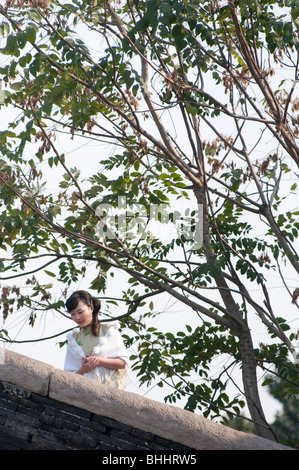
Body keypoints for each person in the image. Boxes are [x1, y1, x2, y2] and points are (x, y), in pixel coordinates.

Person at [63, 290, 130, 389]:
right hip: (86, 392)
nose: (77, 317)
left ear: (91, 308)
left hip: (112, 389)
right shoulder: (74, 339)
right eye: (72, 314)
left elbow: (123, 363)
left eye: (80, 312)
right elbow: (68, 377)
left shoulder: (108, 331)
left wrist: (98, 361)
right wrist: (84, 369)